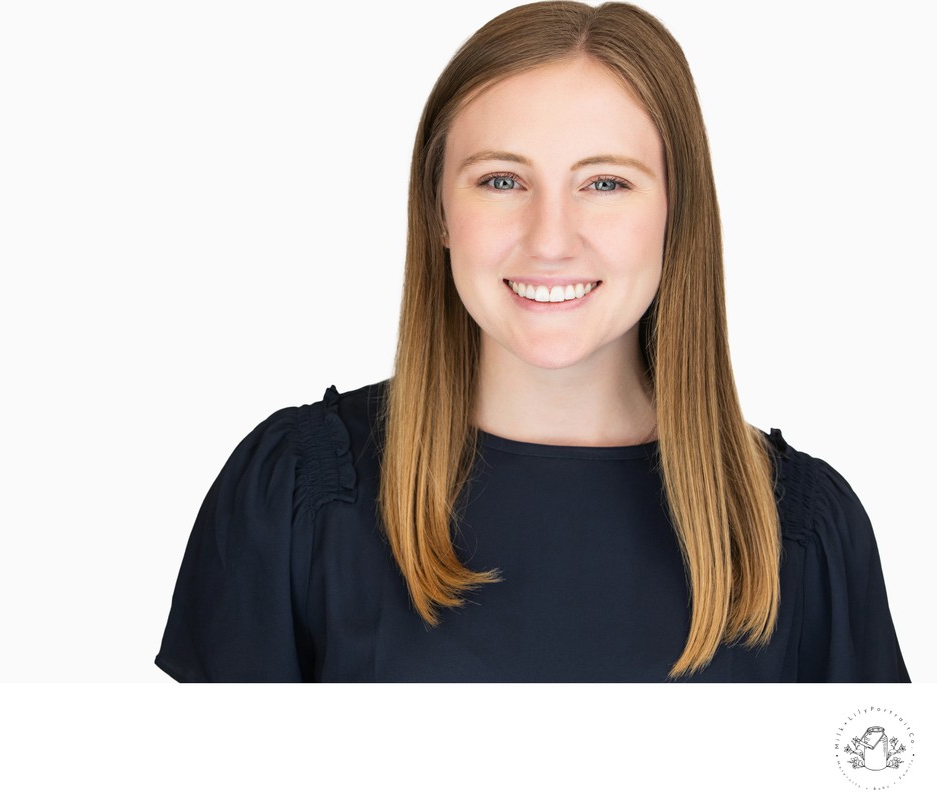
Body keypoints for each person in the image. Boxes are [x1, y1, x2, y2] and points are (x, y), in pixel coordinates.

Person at [154, 1, 909, 682]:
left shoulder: (803, 534)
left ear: (678, 214)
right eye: (502, 181)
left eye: (606, 183)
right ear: (438, 211)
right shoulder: (294, 499)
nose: (551, 240)